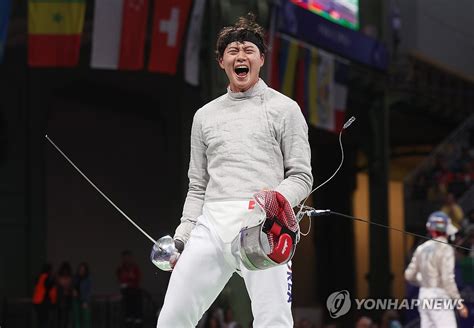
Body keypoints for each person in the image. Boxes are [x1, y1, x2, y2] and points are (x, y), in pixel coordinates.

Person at [156, 13, 313, 327]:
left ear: (261, 59)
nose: (241, 57)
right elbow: (197, 185)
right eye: (233, 52)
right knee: (172, 318)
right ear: (222, 62)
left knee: (274, 321)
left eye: (248, 51)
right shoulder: (204, 116)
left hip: (264, 226)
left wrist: (275, 200)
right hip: (211, 225)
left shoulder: (284, 108)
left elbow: (301, 176)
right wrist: (182, 238)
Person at [404, 211, 469, 327]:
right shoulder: (446, 249)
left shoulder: (421, 248)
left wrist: (424, 281)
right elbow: (447, 280)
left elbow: (409, 275)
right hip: (439, 296)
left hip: (424, 295)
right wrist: (459, 303)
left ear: (430, 229)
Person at [117, 250, 143, 326]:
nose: (126, 259)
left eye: (128, 257)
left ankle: (137, 320)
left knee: (136, 307)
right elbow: (120, 279)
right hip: (125, 292)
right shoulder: (121, 268)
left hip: (135, 291)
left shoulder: (135, 268)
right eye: (125, 258)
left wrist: (130, 279)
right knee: (127, 310)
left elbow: (137, 278)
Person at [32, 263, 57, 328]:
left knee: (40, 321)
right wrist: (53, 281)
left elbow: (36, 288)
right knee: (45, 321)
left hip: (36, 301)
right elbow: (49, 289)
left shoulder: (39, 277)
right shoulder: (47, 277)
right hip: (42, 302)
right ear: (49, 270)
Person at [73, 262, 92, 328]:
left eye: (83, 269)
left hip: (84, 300)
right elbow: (73, 286)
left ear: (85, 270)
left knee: (86, 319)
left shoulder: (88, 278)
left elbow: (88, 291)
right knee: (77, 318)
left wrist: (86, 301)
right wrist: (73, 291)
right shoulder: (76, 277)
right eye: (80, 269)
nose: (81, 271)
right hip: (76, 299)